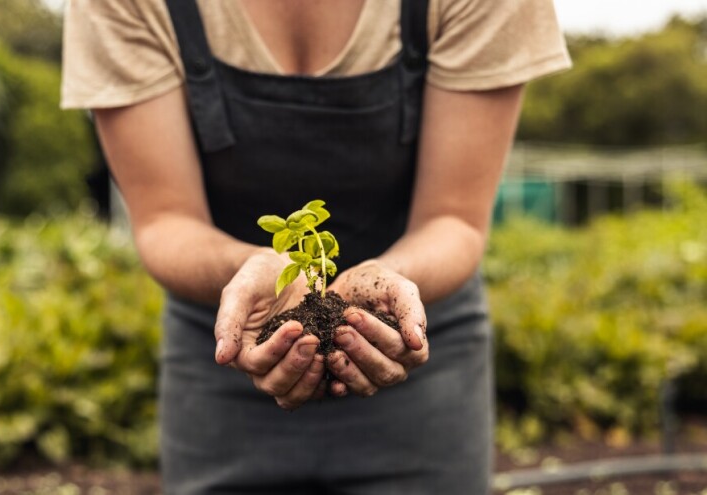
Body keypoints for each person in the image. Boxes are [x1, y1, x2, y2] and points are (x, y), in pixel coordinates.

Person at [62, 0, 571, 493]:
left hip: (417, 346)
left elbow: (453, 218)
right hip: (227, 351)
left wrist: (387, 278)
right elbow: (165, 220)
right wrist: (251, 267)